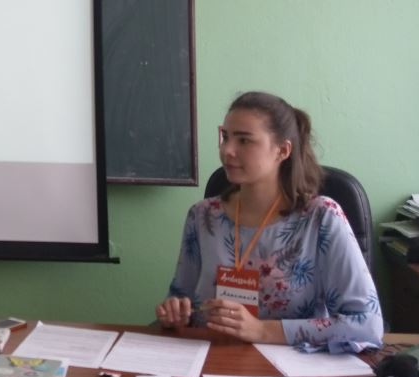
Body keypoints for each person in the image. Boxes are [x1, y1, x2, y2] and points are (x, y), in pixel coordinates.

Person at [155, 91, 383, 349]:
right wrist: (175, 313)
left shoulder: (321, 218)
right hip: (211, 359)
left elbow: (367, 324)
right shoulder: (202, 216)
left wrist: (262, 331)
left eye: (244, 140)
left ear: (282, 150)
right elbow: (181, 300)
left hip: (291, 368)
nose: (227, 150)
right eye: (225, 137)